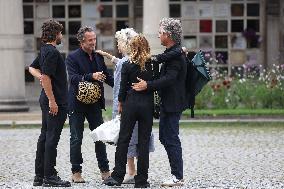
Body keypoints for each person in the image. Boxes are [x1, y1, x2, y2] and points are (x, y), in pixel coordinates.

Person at [132, 18, 187, 187]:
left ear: (168, 35)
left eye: (161, 32)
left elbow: (169, 79)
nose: (158, 35)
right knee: (166, 137)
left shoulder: (176, 55)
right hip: (168, 103)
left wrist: (147, 85)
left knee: (170, 138)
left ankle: (177, 177)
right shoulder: (174, 52)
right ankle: (176, 175)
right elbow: (161, 64)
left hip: (172, 104)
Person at [96, 28, 155, 184]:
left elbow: (121, 88)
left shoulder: (127, 65)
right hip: (147, 106)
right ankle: (142, 180)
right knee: (143, 142)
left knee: (123, 140)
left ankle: (117, 176)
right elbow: (156, 84)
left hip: (130, 104)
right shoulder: (152, 65)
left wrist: (120, 104)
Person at [65, 26, 114, 183]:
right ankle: (76, 172)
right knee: (76, 138)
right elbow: (72, 78)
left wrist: (121, 88)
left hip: (94, 104)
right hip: (76, 104)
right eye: (90, 40)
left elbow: (106, 76)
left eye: (94, 39)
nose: (93, 42)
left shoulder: (98, 56)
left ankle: (105, 171)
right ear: (81, 41)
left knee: (99, 137)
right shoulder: (72, 57)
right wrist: (91, 76)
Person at [29, 20, 71, 187]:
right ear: (55, 34)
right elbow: (46, 77)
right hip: (55, 102)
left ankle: (39, 176)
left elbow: (32, 68)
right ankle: (49, 176)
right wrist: (53, 101)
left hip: (46, 99)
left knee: (45, 137)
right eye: (60, 33)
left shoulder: (44, 50)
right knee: (51, 138)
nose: (62, 36)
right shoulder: (52, 53)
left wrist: (41, 77)